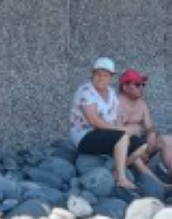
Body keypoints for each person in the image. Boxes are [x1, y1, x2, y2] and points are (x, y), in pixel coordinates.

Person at [69, 57, 147, 190]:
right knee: (122, 136)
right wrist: (121, 130)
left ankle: (116, 171)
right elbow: (94, 121)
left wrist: (122, 130)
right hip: (84, 136)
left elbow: (116, 117)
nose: (101, 78)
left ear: (111, 77)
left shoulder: (111, 93)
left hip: (105, 134)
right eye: (98, 74)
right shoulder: (86, 91)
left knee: (141, 145)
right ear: (92, 74)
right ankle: (122, 179)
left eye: (105, 75)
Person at [118, 68, 172, 186]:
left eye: (143, 84)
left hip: (142, 145)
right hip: (124, 149)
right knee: (131, 149)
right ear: (125, 87)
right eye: (137, 85)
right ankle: (160, 185)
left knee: (166, 140)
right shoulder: (116, 103)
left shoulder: (141, 103)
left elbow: (149, 126)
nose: (141, 88)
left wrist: (151, 135)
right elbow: (116, 133)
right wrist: (138, 148)